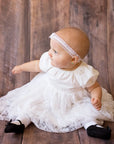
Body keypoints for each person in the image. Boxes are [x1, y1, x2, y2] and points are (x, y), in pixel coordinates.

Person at [0, 27, 113, 140]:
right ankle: (20, 122)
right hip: (45, 93)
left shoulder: (83, 72)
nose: (49, 53)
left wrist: (96, 98)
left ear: (73, 59)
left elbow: (94, 87)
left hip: (73, 100)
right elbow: (36, 65)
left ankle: (92, 126)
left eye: (55, 51)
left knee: (84, 111)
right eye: (51, 48)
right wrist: (21, 67)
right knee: (32, 105)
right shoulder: (49, 62)